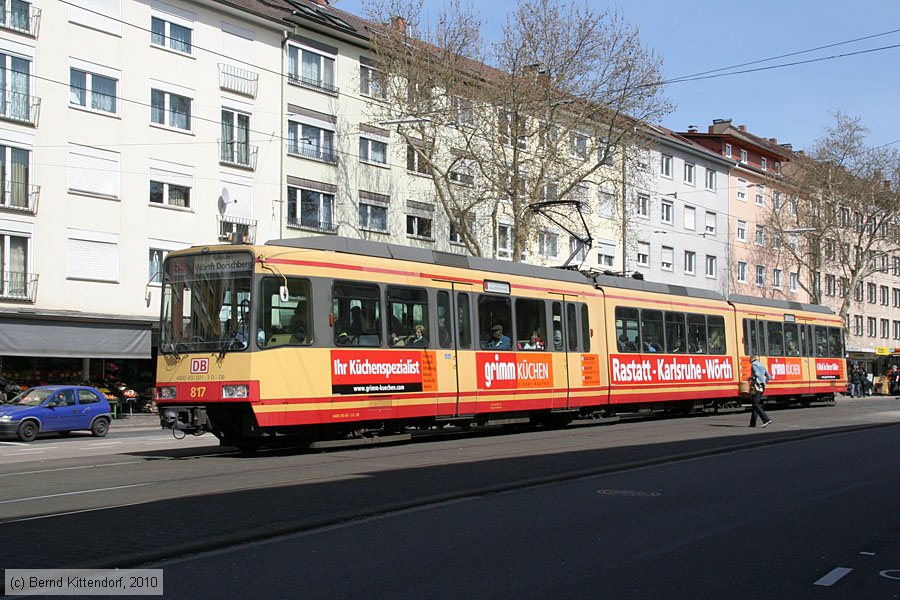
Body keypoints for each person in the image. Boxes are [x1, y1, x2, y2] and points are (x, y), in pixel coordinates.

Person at [749, 355, 772, 427]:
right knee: (755, 404)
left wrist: (750, 378)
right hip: (762, 387)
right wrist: (764, 382)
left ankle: (766, 419)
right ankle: (753, 423)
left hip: (757, 387)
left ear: (751, 359)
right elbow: (769, 377)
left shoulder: (754, 365)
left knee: (755, 404)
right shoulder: (762, 365)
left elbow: (756, 374)